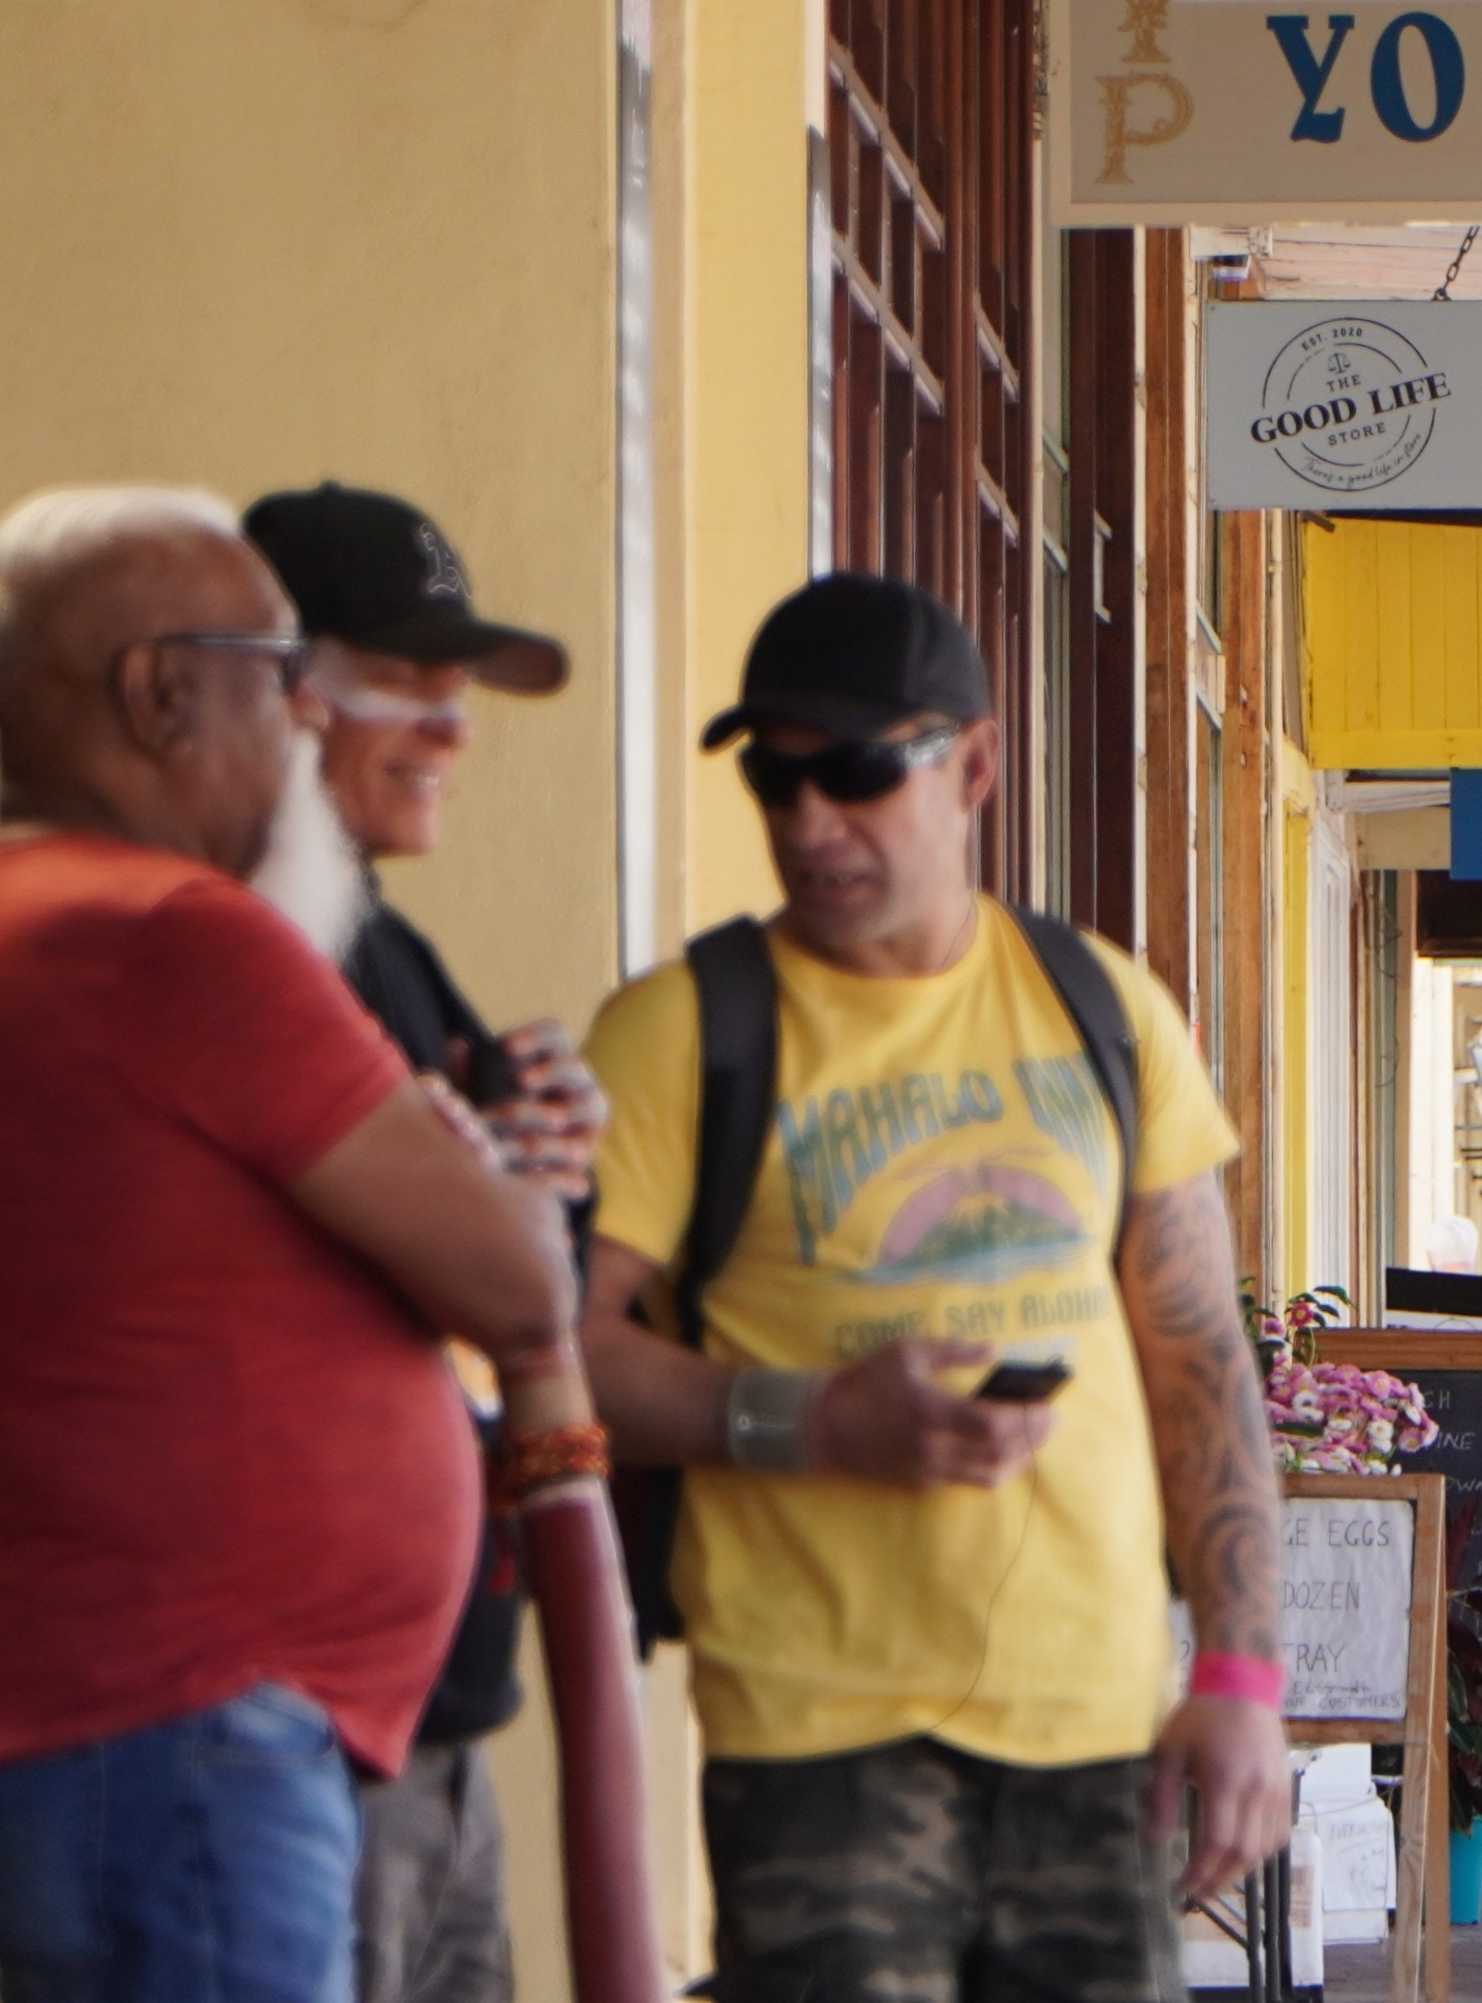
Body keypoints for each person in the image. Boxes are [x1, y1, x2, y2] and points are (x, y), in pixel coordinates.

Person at [0, 486, 581, 1999]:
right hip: (187, 1725)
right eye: (283, 680)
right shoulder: (168, 934)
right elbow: (519, 1280)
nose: (305, 726)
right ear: (158, 689)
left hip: (158, 1728)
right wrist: (489, 1181)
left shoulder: (32, 917)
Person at [574, 574, 1289, 2001]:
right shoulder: (683, 1031)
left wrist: (1240, 1680)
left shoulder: (1103, 1005)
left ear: (971, 765)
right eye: (774, 780)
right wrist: (812, 1419)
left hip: (1090, 1721)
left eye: (852, 772)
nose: (807, 822)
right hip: (816, 1728)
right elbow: (554, 1353)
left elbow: (1199, 1357)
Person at [246, 481, 599, 2003]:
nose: (454, 731)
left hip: (435, 1712)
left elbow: (521, 1272)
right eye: (406, 683)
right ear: (274, 688)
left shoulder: (376, 940)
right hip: (287, 1724)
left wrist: (547, 1161)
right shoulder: (234, 948)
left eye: (462, 694)